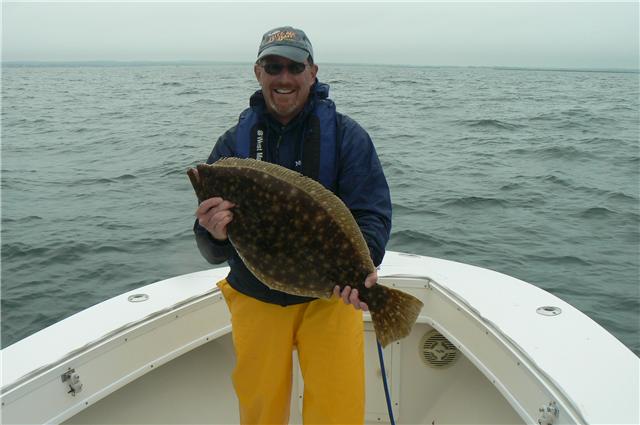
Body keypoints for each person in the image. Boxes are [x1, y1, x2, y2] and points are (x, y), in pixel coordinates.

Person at [193, 26, 392, 424]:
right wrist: (213, 232)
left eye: (294, 66)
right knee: (260, 411)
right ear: (257, 72)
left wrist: (361, 268)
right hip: (255, 298)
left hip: (330, 302)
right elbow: (211, 246)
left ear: (312, 71)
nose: (283, 77)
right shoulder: (232, 146)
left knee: (338, 411)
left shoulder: (347, 137)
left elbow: (371, 213)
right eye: (273, 66)